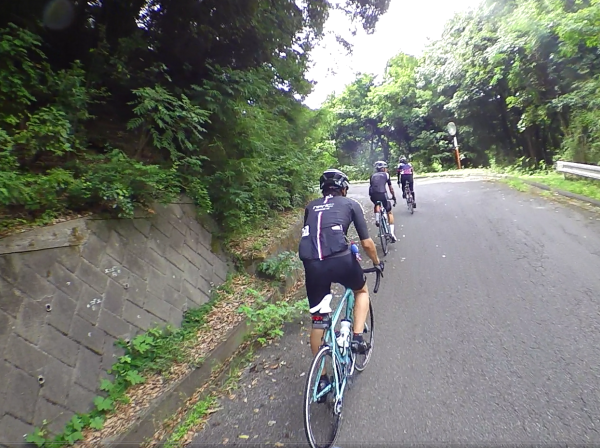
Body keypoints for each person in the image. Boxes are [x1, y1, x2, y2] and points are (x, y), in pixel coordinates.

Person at [298, 168, 384, 397]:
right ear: (343, 188)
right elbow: (367, 243)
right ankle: (356, 337)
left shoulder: (311, 207)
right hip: (341, 261)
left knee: (318, 322)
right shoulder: (351, 204)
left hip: (312, 265)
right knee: (361, 291)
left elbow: (316, 235)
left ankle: (321, 379)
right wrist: (377, 263)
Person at [369, 161, 397, 241]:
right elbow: (390, 188)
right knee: (389, 212)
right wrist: (393, 196)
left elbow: (372, 186)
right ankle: (391, 233)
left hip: (373, 195)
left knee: (377, 203)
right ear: (383, 168)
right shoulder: (386, 175)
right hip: (382, 194)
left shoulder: (372, 176)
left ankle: (377, 219)